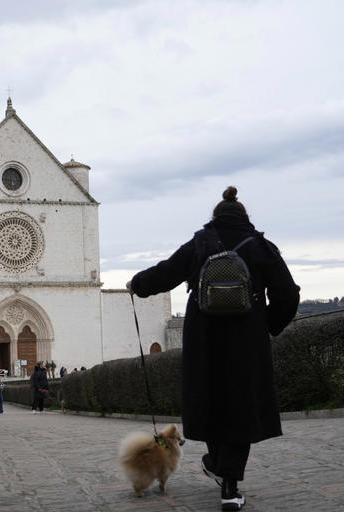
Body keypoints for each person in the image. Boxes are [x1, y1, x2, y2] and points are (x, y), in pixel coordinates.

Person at [126, 186, 299, 511]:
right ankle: (229, 486)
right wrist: (267, 324)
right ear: (245, 217)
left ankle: (217, 463)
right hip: (247, 344)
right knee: (241, 408)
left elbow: (167, 272)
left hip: (203, 341)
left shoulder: (201, 243)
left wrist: (138, 284)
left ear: (215, 218)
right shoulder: (261, 246)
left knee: (209, 403)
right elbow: (288, 295)